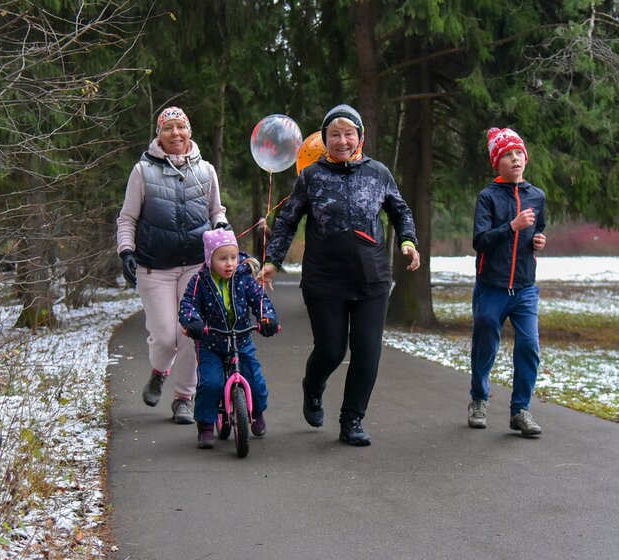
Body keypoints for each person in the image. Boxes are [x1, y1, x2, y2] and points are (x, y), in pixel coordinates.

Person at [260, 104, 420, 446]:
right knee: (331, 350)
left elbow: (400, 210)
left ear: (360, 137)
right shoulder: (312, 177)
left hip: (372, 277)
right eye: (335, 134)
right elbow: (288, 220)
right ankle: (313, 388)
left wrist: (408, 241)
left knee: (367, 351)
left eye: (349, 133)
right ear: (325, 138)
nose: (342, 140)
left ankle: (352, 420)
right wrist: (273, 259)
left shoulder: (378, 173)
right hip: (324, 279)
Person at [116, 106, 230, 424]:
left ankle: (183, 399)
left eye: (180, 127)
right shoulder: (142, 172)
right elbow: (127, 218)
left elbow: (215, 211)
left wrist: (221, 225)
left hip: (196, 265)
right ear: (159, 135)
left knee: (191, 334)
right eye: (168, 128)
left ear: (189, 132)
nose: (175, 133)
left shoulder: (205, 171)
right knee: (166, 337)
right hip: (155, 268)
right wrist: (126, 251)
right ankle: (158, 371)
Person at [468, 127, 547, 437]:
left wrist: (538, 240)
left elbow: (538, 229)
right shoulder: (488, 197)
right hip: (492, 286)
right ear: (496, 162)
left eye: (519, 154)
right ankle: (478, 399)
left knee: (529, 346)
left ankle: (520, 411)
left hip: (525, 287)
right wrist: (512, 226)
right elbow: (480, 241)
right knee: (485, 344)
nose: (515, 159)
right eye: (507, 155)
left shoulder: (537, 196)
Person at [179, 228, 279, 448]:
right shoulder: (200, 282)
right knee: (210, 383)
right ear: (209, 259)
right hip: (210, 342)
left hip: (241, 339)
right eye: (222, 258)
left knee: (255, 380)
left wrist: (266, 317)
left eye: (233, 257)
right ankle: (205, 425)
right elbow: (188, 304)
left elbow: (259, 299)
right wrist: (192, 321)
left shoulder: (243, 277)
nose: (230, 263)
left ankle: (257, 412)